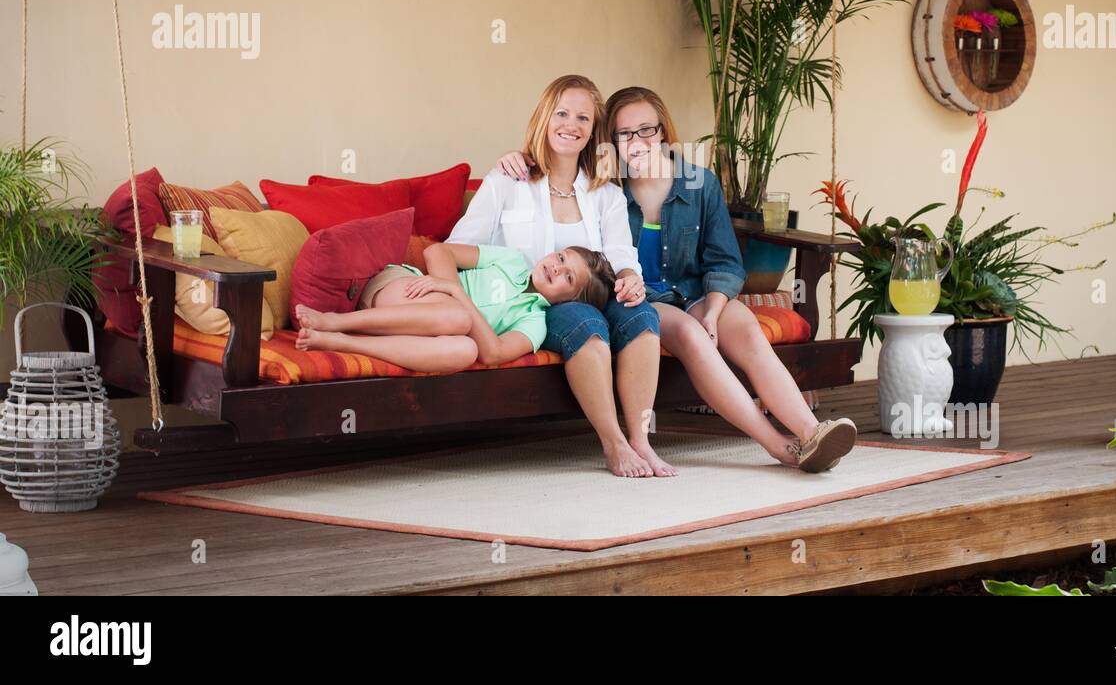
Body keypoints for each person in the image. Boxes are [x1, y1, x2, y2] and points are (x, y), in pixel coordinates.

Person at [499, 86, 858, 473]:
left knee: (746, 329)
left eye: (645, 130)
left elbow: (725, 261)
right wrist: (518, 158)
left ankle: (812, 433)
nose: (636, 142)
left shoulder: (698, 184)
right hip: (642, 299)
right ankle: (774, 444)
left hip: (696, 292)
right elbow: (560, 184)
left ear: (663, 133)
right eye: (623, 134)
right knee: (690, 333)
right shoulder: (605, 189)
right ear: (610, 142)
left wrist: (714, 309)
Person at [450, 75, 673, 478]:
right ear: (544, 117)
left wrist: (629, 276)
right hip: (532, 301)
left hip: (596, 293)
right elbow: (462, 245)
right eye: (562, 113)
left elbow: (622, 252)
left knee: (642, 317)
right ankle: (614, 444)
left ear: (593, 131)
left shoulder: (605, 193)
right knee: (585, 322)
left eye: (583, 118)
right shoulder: (507, 180)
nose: (571, 125)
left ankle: (641, 441)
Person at [295, 241, 615, 375]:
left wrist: (454, 295)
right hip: (401, 289)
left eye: (568, 276)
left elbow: (493, 354)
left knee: (465, 350)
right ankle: (337, 321)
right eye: (561, 258)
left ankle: (342, 342)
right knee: (456, 317)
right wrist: (451, 292)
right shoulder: (511, 260)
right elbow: (438, 251)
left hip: (426, 333)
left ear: (571, 300)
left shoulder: (534, 322)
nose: (556, 268)